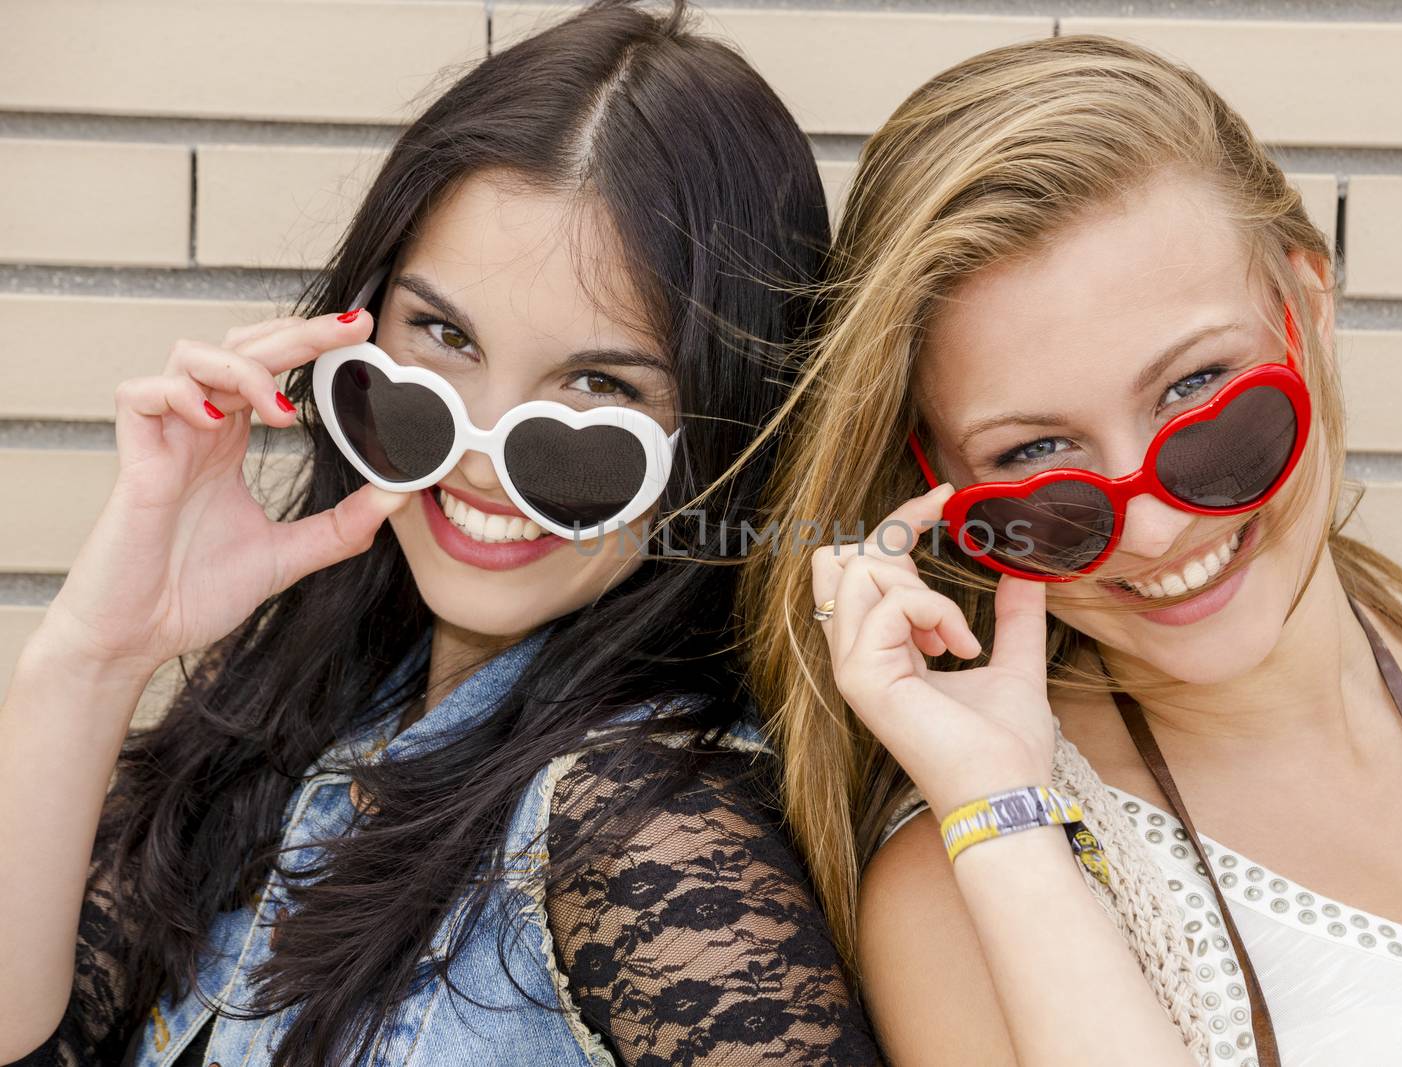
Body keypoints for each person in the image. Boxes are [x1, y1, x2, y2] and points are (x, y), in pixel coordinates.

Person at [0, 2, 883, 1064]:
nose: (476, 454)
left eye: (596, 387)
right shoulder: (303, 696)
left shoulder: (649, 827)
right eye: (444, 335)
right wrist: (93, 653)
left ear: (723, 430)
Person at [741, 33, 1402, 1067]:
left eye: (1197, 394)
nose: (1151, 529)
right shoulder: (961, 889)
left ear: (1308, 312)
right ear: (943, 487)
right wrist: (1006, 822)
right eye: (1040, 456)